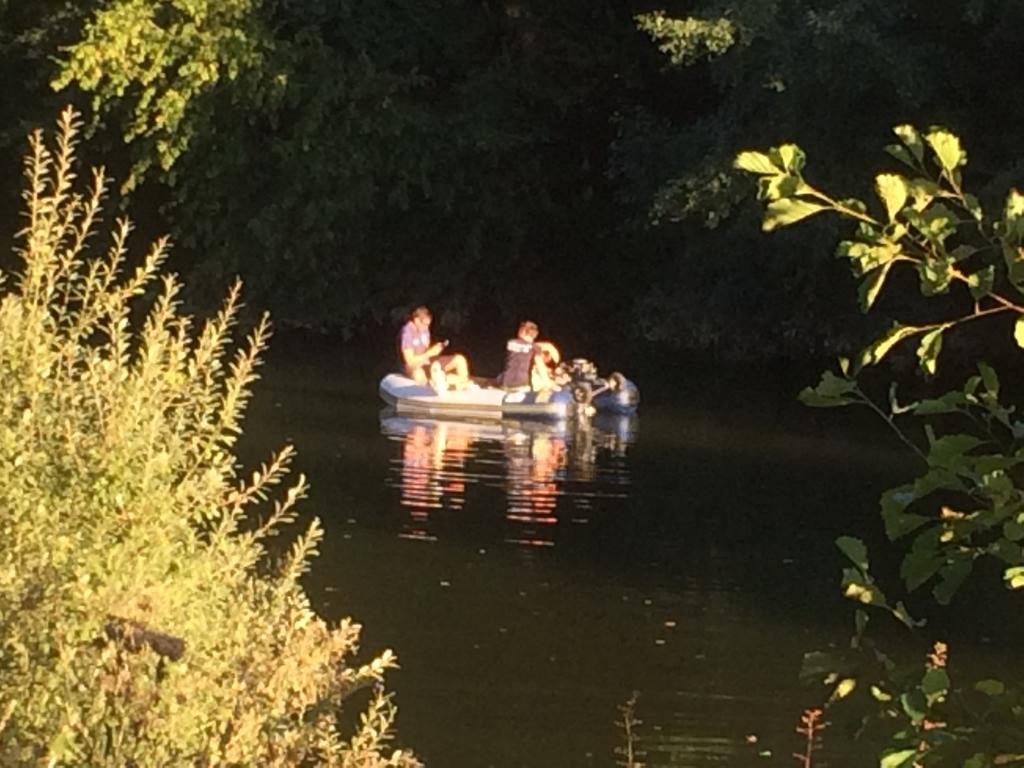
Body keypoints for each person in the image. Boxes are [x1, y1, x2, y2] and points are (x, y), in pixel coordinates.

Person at [399, 306, 471, 391]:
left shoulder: (425, 329)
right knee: (419, 374)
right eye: (424, 324)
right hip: (413, 366)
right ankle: (428, 393)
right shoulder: (407, 333)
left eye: (428, 325)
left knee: (460, 359)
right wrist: (430, 353)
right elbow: (410, 361)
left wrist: (437, 349)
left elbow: (427, 352)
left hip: (426, 361)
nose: (426, 328)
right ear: (416, 320)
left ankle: (456, 383)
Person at [499, 320, 558, 392]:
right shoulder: (535, 348)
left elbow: (527, 345)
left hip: (505, 384)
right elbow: (540, 367)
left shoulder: (511, 342)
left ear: (522, 331)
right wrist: (549, 384)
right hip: (521, 386)